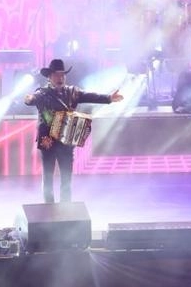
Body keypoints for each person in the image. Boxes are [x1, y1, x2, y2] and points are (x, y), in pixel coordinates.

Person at [23, 59, 123, 203]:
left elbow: (89, 96)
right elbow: (32, 99)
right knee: (48, 176)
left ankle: (66, 209)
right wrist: (29, 99)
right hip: (47, 140)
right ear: (50, 77)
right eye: (57, 75)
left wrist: (108, 98)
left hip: (66, 138)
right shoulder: (42, 93)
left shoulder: (72, 92)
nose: (60, 78)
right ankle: (49, 208)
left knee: (66, 177)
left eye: (63, 75)